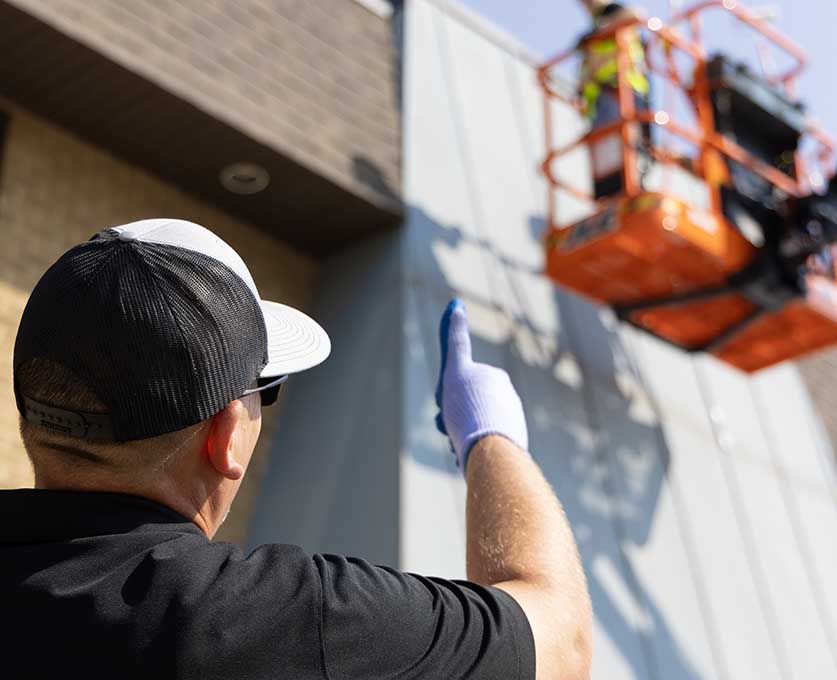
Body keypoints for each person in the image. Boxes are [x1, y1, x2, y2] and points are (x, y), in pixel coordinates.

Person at [1, 218, 592, 679]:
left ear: (34, 414)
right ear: (226, 432)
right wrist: (490, 438)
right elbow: (559, 644)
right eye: (267, 389)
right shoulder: (275, 621)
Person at [577, 0, 650, 199]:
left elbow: (635, 14)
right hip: (601, 102)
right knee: (606, 156)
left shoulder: (615, 13)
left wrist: (603, 29)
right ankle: (610, 194)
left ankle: (629, 188)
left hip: (621, 92)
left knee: (623, 149)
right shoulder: (590, 33)